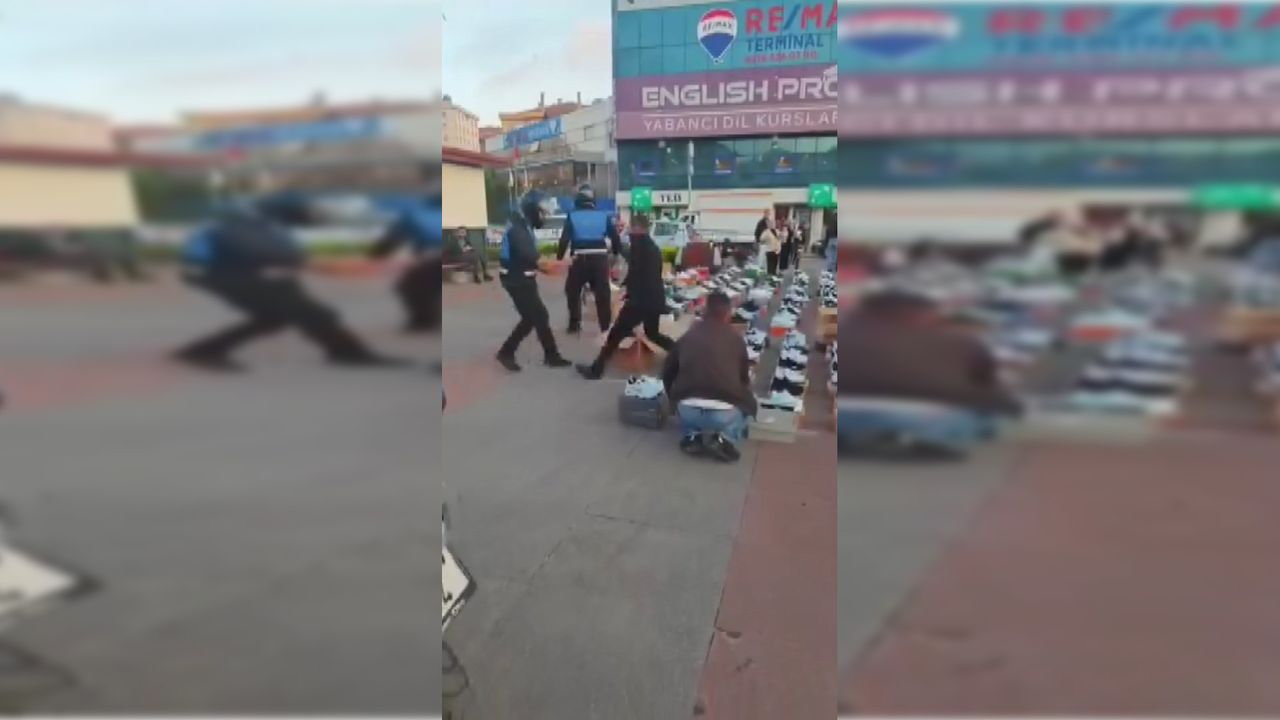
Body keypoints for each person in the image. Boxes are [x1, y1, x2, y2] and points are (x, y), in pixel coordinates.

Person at [175, 196, 405, 372]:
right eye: (307, 214)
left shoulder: (260, 222)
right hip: (223, 275)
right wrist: (309, 265)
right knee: (304, 312)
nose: (311, 218)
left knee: (281, 315)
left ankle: (201, 351)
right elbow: (266, 252)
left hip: (235, 273)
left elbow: (281, 255)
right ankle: (346, 351)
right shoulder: (245, 223)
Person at [837, 290, 1022, 452]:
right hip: (927, 416)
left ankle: (853, 436)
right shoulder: (960, 342)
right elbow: (989, 387)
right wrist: (1011, 407)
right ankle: (911, 437)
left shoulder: (839, 335)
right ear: (926, 313)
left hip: (840, 413)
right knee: (980, 418)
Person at [576, 214, 676, 380]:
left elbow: (636, 271)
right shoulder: (652, 247)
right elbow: (640, 270)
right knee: (653, 334)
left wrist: (629, 293)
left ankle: (596, 370)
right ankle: (683, 354)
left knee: (615, 334)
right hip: (654, 299)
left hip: (640, 302)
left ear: (638, 227)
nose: (629, 230)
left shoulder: (639, 245)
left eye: (631, 227)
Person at [662, 291, 757, 462]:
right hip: (726, 413)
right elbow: (744, 379)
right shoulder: (736, 340)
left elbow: (667, 371)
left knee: (686, 404)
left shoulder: (688, 336)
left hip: (688, 409)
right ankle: (725, 438)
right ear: (728, 313)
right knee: (747, 402)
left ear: (705, 310)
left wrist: (672, 401)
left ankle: (693, 435)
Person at [496, 190, 572, 372]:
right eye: (542, 212)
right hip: (516, 280)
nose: (544, 217)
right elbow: (535, 259)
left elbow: (531, 261)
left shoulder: (523, 226)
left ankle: (512, 352)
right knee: (538, 316)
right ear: (531, 210)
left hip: (520, 277)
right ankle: (513, 353)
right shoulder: (518, 230)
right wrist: (562, 264)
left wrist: (552, 268)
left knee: (533, 317)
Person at [368, 195, 445, 333]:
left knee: (408, 285)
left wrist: (376, 254)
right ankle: (429, 316)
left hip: (436, 257)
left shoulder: (414, 216)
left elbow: (391, 240)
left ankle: (424, 319)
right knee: (429, 284)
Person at [558, 183, 623, 334]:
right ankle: (605, 327)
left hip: (579, 259)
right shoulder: (603, 216)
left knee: (572, 290)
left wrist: (559, 258)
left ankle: (574, 324)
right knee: (602, 294)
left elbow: (564, 240)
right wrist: (615, 253)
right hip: (600, 259)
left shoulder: (572, 216)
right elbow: (615, 237)